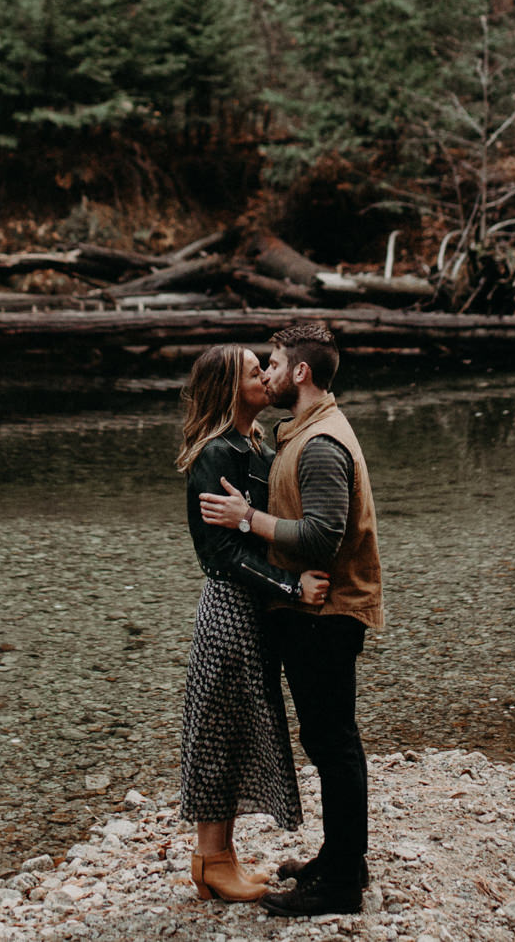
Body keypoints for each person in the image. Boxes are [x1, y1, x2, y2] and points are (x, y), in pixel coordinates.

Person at [200, 320, 383, 919]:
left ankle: (339, 886)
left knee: (333, 744)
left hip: (324, 613)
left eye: (274, 363)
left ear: (300, 372)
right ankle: (341, 860)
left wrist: (248, 519)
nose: (269, 372)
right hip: (314, 612)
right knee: (331, 741)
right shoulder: (304, 431)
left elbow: (323, 537)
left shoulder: (322, 443)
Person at [175, 343, 331, 903]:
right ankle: (211, 861)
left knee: (238, 729)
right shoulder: (215, 454)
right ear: (228, 388)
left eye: (264, 367)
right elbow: (222, 556)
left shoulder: (253, 442)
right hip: (229, 611)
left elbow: (255, 531)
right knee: (219, 731)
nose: (267, 376)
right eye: (253, 372)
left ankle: (222, 858)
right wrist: (292, 587)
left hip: (251, 611)